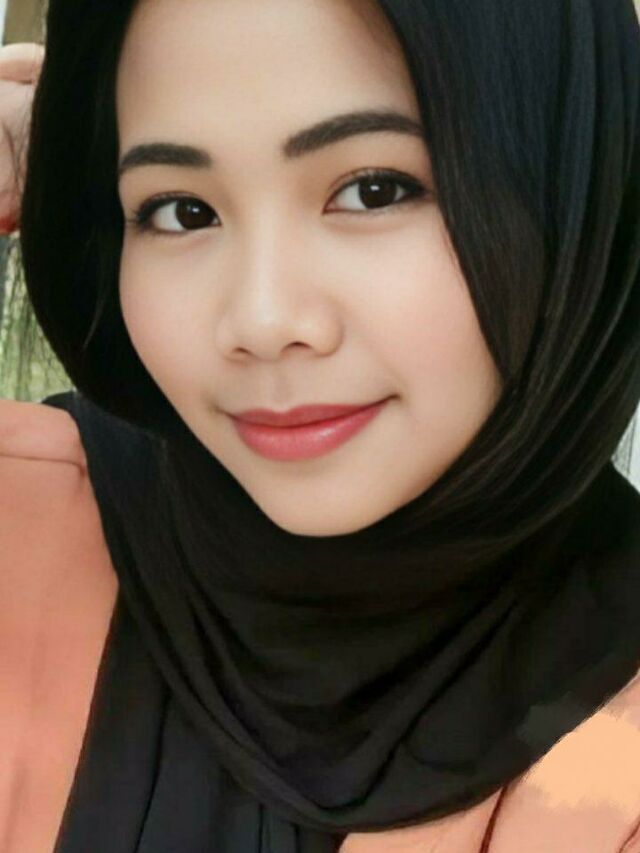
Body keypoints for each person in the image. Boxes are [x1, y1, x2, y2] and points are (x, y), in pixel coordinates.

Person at [1, 0, 640, 851]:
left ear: (576, 185)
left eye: (375, 190)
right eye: (182, 210)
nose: (262, 321)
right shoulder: (25, 525)